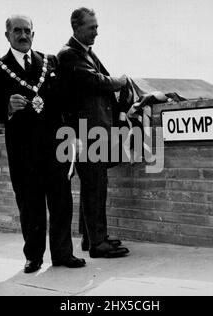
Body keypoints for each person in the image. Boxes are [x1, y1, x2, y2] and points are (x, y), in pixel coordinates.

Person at [0, 15, 86, 273]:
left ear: (33, 34)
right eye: (17, 31)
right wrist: (6, 106)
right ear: (7, 35)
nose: (23, 35)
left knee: (61, 202)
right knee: (30, 205)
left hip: (55, 146)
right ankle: (33, 256)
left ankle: (62, 253)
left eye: (27, 30)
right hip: (23, 150)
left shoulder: (50, 61)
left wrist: (74, 135)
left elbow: (65, 102)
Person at [57, 8, 130, 258]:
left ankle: (92, 238)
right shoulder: (68, 55)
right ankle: (98, 244)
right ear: (76, 28)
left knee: (94, 186)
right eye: (92, 27)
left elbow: (101, 78)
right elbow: (96, 81)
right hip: (85, 134)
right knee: (95, 187)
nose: (96, 32)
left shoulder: (85, 53)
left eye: (96, 27)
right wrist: (120, 81)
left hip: (93, 132)